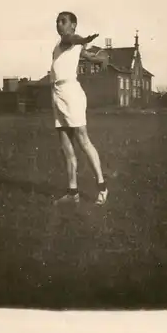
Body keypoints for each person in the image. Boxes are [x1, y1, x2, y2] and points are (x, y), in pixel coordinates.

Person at [50, 11, 108, 205]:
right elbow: (82, 53)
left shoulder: (72, 39)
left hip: (71, 93)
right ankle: (73, 192)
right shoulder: (60, 45)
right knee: (66, 147)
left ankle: (102, 187)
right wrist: (94, 57)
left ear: (73, 25)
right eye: (57, 21)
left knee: (83, 141)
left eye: (63, 21)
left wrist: (86, 43)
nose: (59, 24)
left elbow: (74, 40)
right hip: (57, 94)